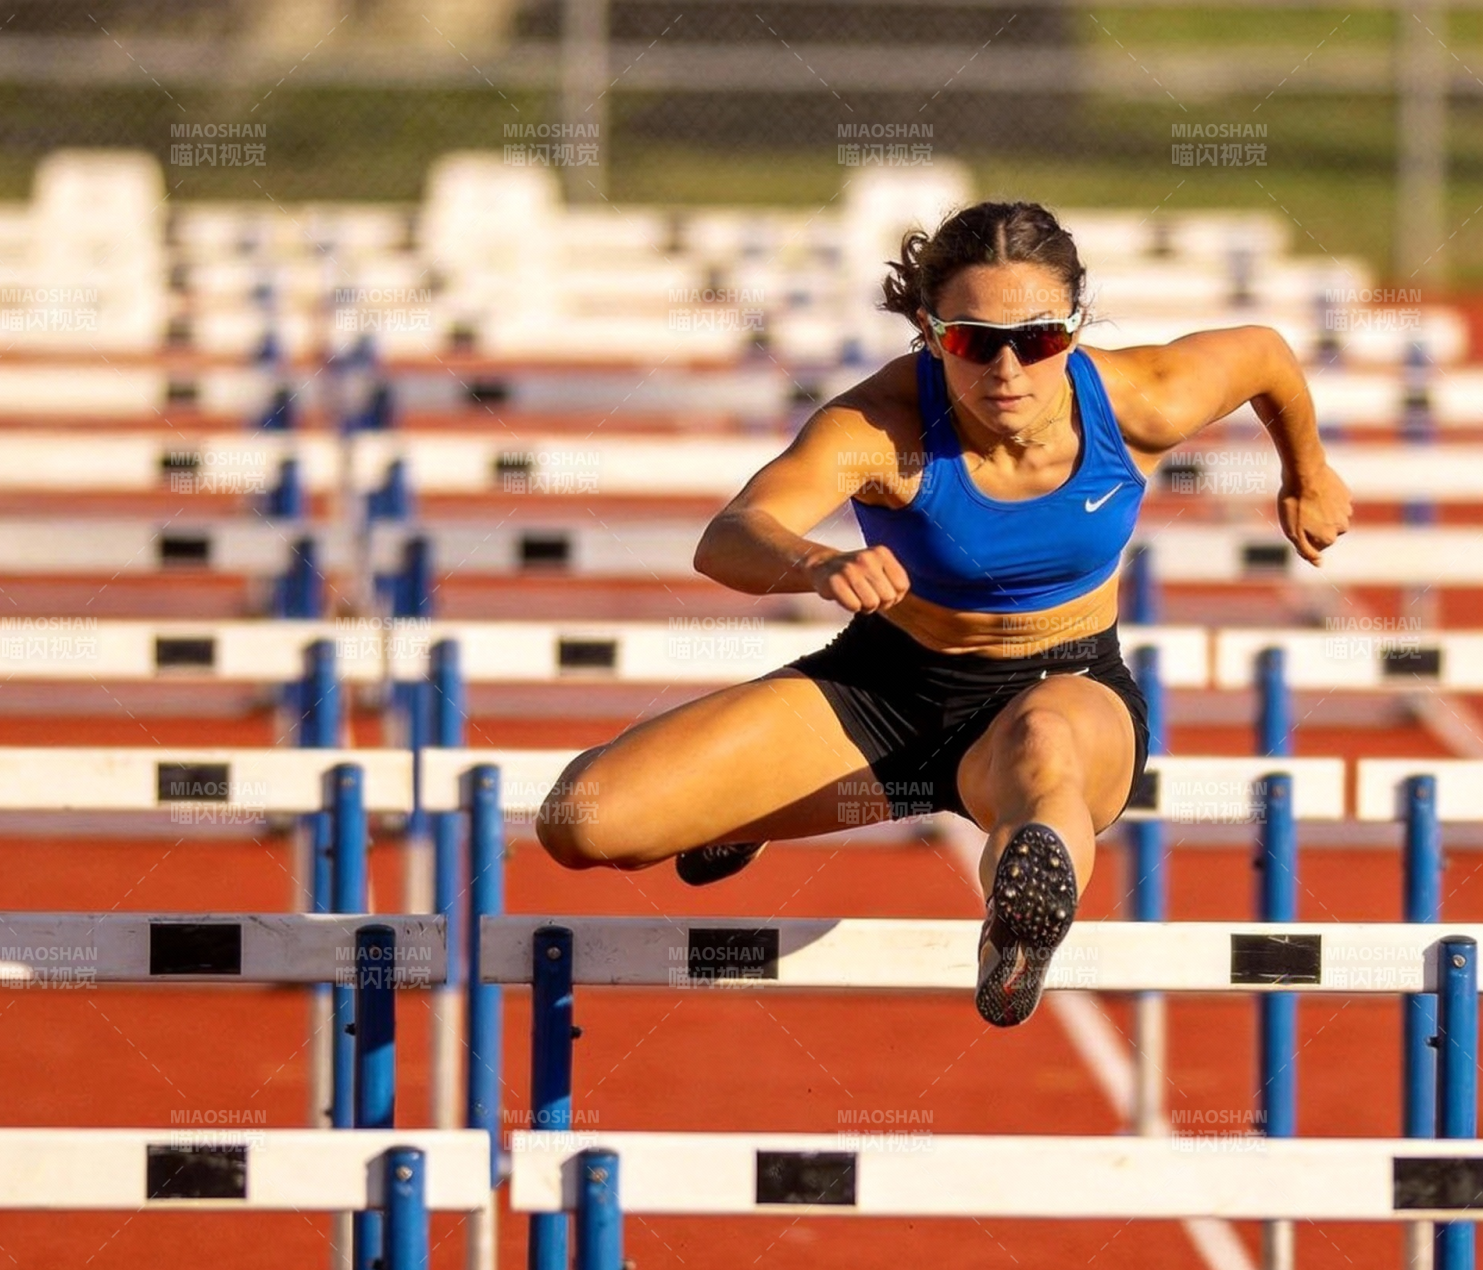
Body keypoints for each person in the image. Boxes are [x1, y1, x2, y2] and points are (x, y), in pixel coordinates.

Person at [535, 200, 1351, 1026]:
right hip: (884, 691)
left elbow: (1265, 355)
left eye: (1038, 338)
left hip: (1064, 687)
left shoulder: (1143, 399)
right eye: (973, 341)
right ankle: (757, 805)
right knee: (582, 824)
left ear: (1074, 327)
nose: (1008, 369)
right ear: (929, 332)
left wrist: (1309, 472)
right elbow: (730, 536)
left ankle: (1017, 931)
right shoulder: (882, 427)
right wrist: (817, 562)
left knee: (1044, 751)